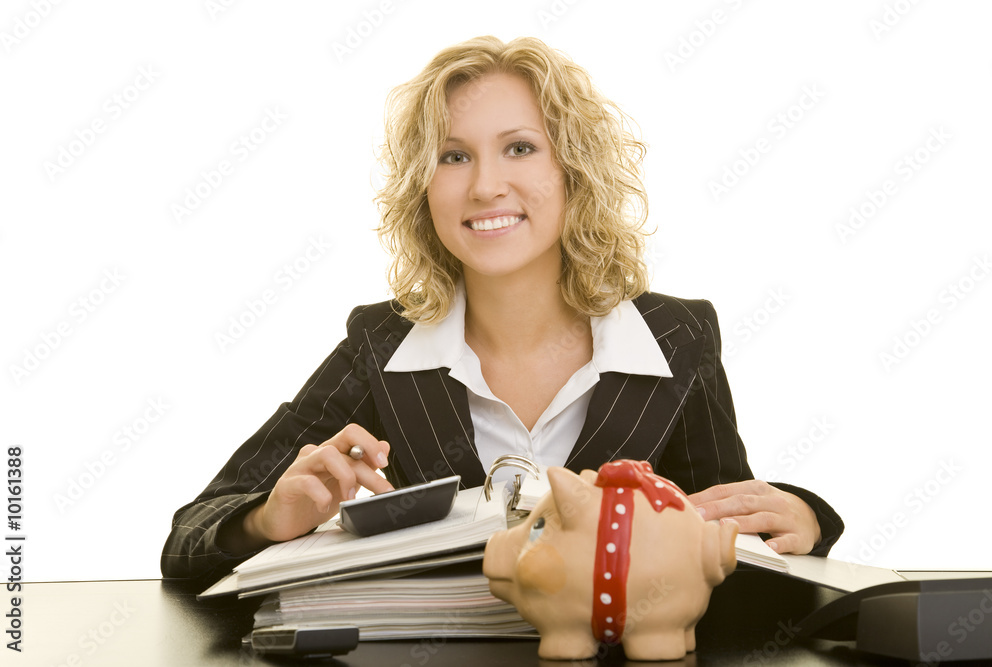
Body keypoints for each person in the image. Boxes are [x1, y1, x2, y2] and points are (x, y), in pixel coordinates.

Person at [161, 35, 843, 584]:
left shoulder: (674, 336)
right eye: (453, 156)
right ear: (423, 189)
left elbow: (731, 531)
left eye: (520, 148)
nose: (486, 185)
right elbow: (190, 535)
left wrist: (807, 520)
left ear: (572, 168)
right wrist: (267, 519)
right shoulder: (382, 344)